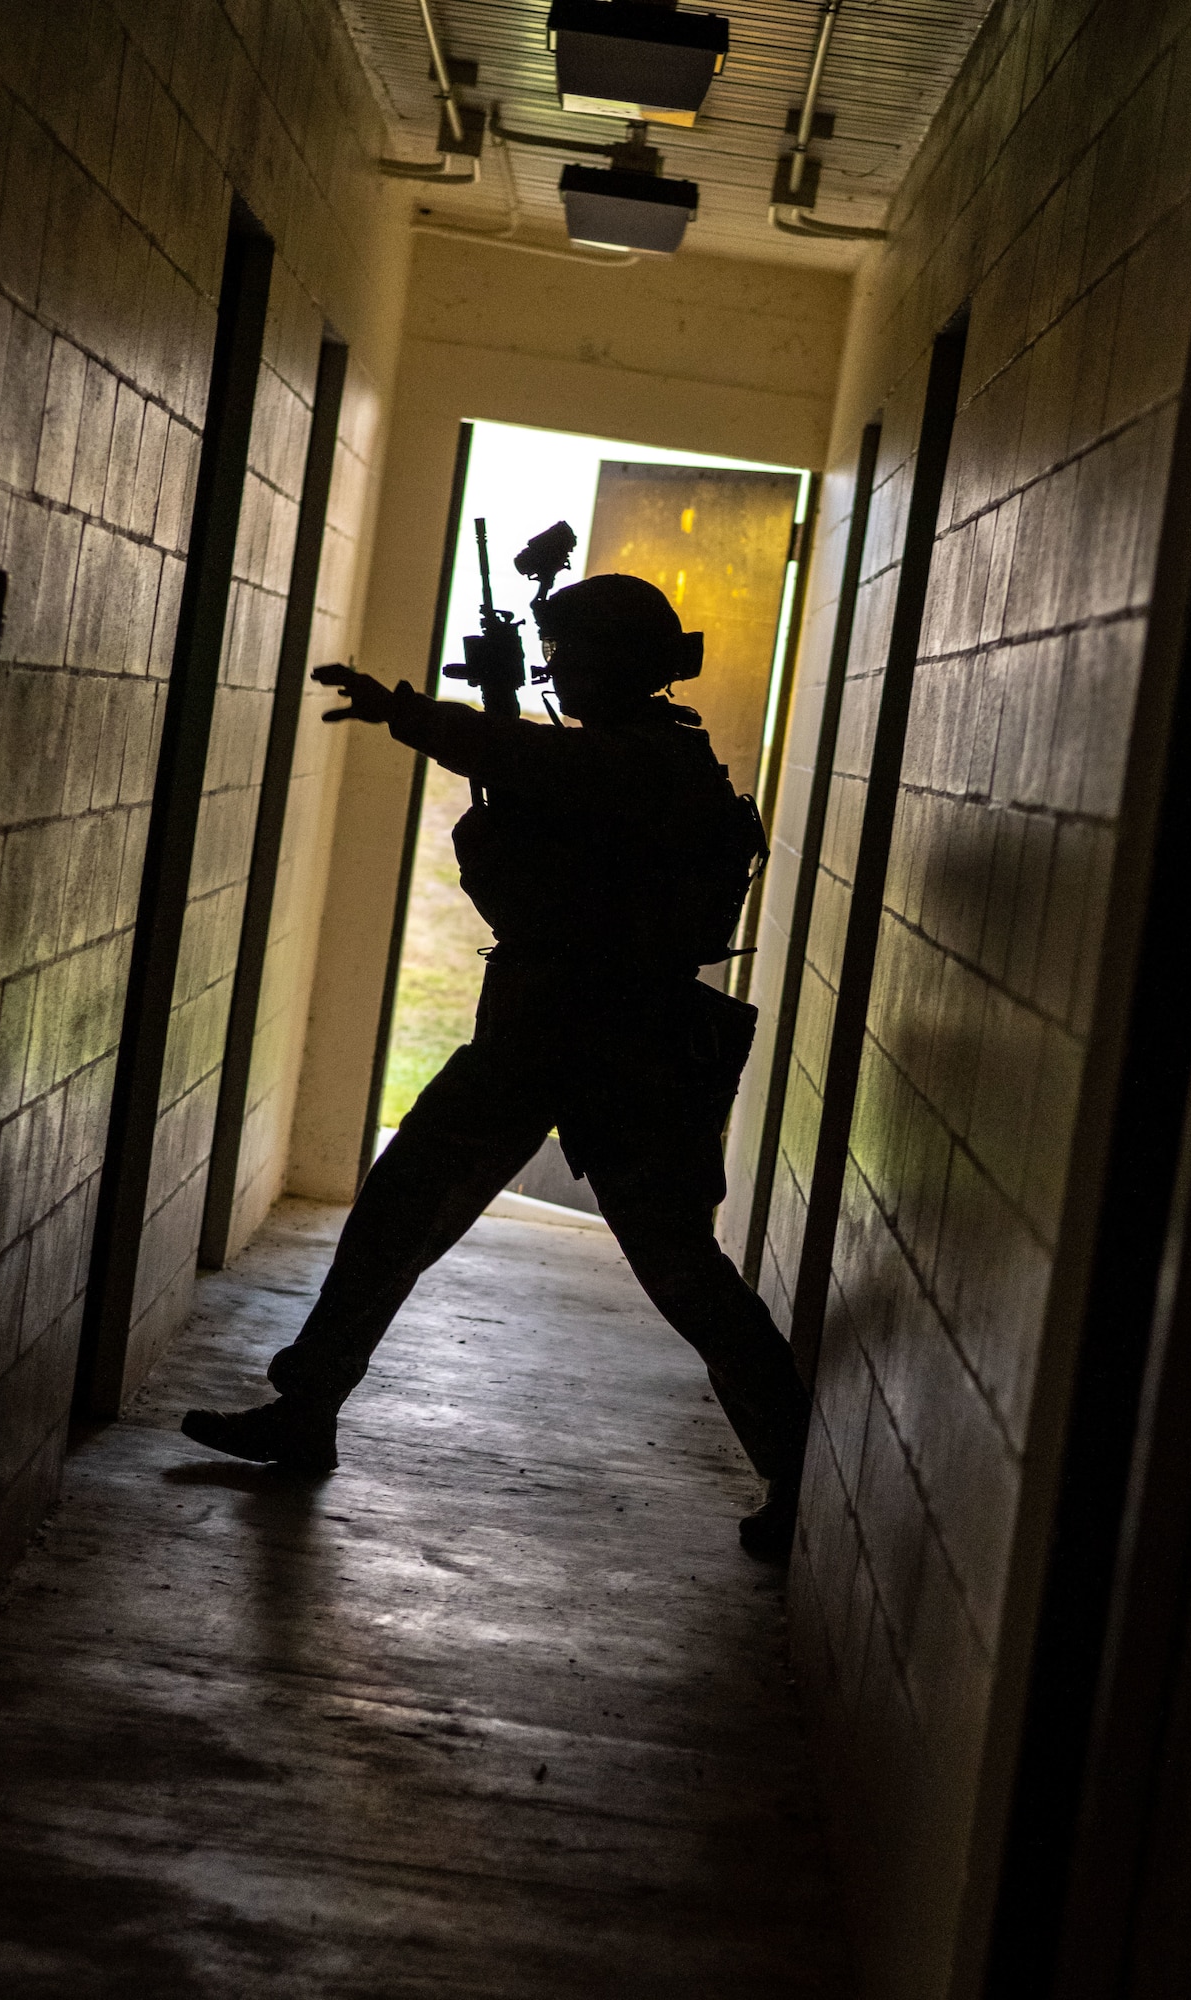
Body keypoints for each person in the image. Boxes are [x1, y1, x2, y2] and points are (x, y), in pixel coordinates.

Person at [182, 573, 810, 1560]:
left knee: (680, 1268)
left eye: (573, 657)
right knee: (398, 1212)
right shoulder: (634, 753)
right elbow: (549, 795)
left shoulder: (654, 759)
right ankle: (304, 1407)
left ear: (616, 664)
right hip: (547, 1033)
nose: (559, 673)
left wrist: (418, 716)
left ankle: (794, 1467)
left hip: (622, 1046)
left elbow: (543, 765)